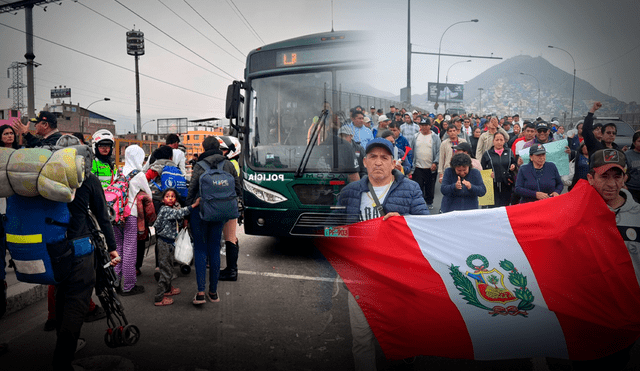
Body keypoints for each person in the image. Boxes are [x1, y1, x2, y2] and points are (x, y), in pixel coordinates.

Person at [336, 138, 428, 371]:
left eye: (384, 158)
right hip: (361, 278)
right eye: (373, 157)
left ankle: (406, 349)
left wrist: (404, 223)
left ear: (393, 163)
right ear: (365, 162)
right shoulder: (348, 192)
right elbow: (335, 229)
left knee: (401, 330)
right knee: (361, 338)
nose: (378, 162)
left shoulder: (411, 188)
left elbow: (426, 227)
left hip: (398, 278)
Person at [51, 134, 120, 370]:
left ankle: (64, 344)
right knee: (76, 303)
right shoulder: (88, 179)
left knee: (61, 297)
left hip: (53, 248)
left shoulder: (46, 177)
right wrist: (112, 249)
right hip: (80, 249)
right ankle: (62, 360)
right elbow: (103, 217)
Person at [572, 148, 640, 371]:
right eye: (604, 176)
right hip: (586, 313)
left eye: (617, 176)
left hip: (625, 315)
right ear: (590, 178)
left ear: (625, 178)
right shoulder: (575, 213)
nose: (611, 184)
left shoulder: (637, 216)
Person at [186, 136, 241, 305]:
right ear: (219, 147)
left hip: (200, 212)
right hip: (219, 213)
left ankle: (200, 292)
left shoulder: (199, 166)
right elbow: (237, 189)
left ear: (203, 148)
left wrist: (187, 211)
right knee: (215, 248)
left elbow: (192, 190)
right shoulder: (228, 164)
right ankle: (214, 293)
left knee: (201, 249)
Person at [115, 145, 153, 296]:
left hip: (116, 215)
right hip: (130, 215)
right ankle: (129, 286)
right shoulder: (139, 175)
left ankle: (115, 282)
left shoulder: (118, 171)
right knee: (130, 249)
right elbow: (148, 196)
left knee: (118, 248)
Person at [153, 189, 199, 306]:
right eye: (167, 196)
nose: (170, 198)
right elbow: (179, 214)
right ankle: (159, 298)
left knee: (169, 268)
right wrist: (193, 205)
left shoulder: (170, 209)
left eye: (173, 196)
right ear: (163, 200)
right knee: (165, 271)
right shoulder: (165, 209)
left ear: (176, 200)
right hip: (164, 243)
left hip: (169, 243)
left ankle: (168, 290)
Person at [216, 136, 244, 281]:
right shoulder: (232, 163)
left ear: (233, 150)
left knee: (230, 238)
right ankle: (231, 269)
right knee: (231, 237)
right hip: (231, 203)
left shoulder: (231, 164)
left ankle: (231, 270)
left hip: (228, 203)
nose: (221, 152)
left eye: (224, 149)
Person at [410, 119, 441, 210]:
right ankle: (419, 203)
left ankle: (429, 202)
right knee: (418, 186)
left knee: (429, 186)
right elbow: (411, 151)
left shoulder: (435, 137)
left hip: (430, 168)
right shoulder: (416, 136)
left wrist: (435, 162)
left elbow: (439, 151)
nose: (424, 127)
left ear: (430, 126)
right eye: (422, 125)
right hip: (418, 167)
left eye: (426, 125)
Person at [481, 132, 516, 207]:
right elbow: (482, 169)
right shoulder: (487, 154)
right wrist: (488, 175)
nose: (499, 142)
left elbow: (514, 163)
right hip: (492, 185)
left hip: (507, 185)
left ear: (504, 141)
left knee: (506, 207)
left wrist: (514, 166)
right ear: (493, 141)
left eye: (501, 140)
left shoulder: (509, 152)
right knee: (494, 208)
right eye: (497, 140)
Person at [625, 131, 640, 203]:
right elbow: (623, 172)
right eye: (639, 141)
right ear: (634, 143)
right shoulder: (627, 155)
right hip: (631, 189)